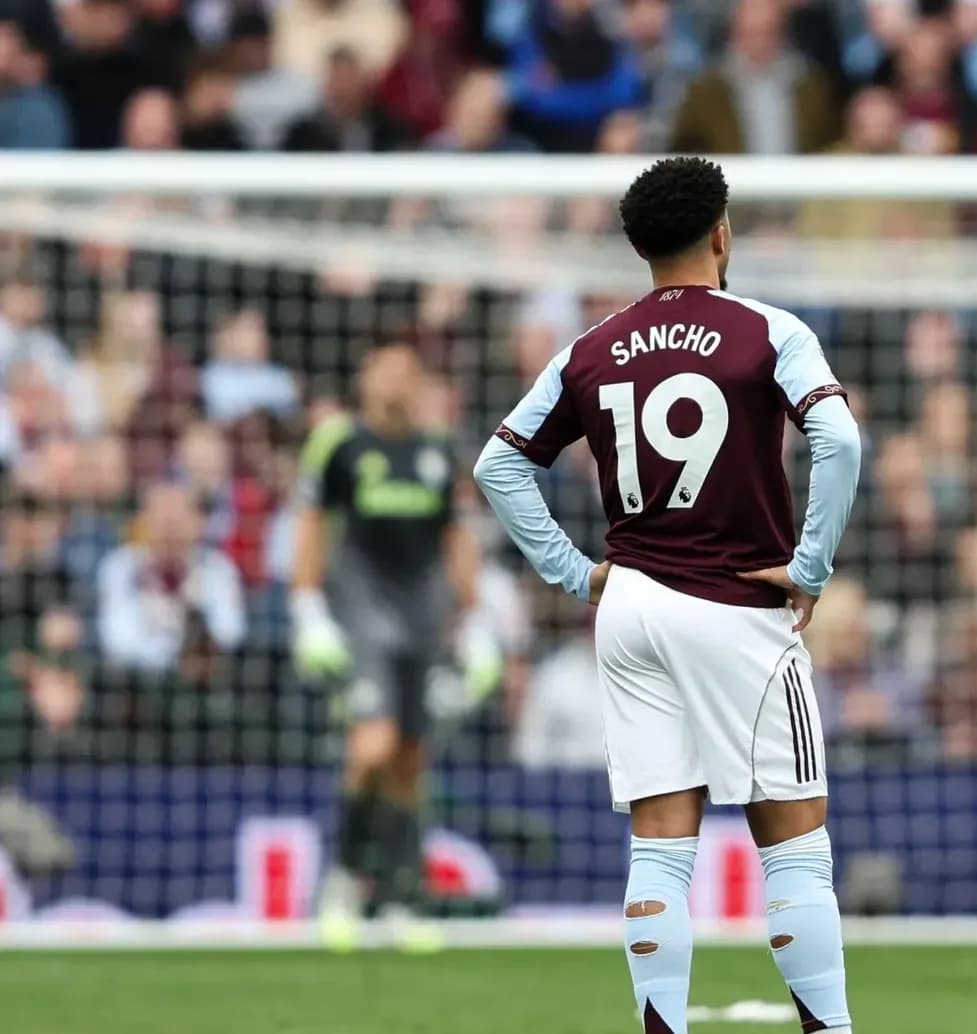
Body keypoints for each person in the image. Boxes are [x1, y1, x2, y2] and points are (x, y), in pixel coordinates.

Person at [473, 157, 862, 1034]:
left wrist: (573, 573)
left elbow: (497, 463)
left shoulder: (591, 346)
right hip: (736, 607)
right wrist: (811, 566)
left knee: (661, 845)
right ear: (722, 235)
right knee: (796, 852)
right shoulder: (770, 332)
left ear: (640, 248)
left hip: (633, 606)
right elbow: (839, 441)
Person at [289, 344, 497, 950]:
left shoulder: (438, 451)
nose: (395, 382)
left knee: (409, 760)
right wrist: (306, 607)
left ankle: (404, 896)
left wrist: (476, 618)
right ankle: (346, 880)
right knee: (371, 746)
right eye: (384, 369)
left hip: (422, 620)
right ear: (364, 377)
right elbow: (311, 525)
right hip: (360, 615)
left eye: (408, 372)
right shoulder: (338, 443)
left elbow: (457, 540)